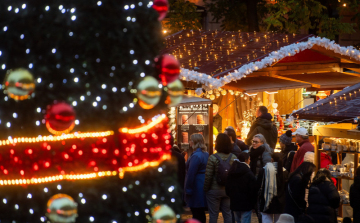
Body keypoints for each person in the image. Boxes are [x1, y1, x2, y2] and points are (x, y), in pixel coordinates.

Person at [204, 133, 237, 223]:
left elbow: (208, 176)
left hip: (214, 191)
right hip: (228, 190)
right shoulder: (233, 157)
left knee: (213, 215)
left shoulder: (213, 158)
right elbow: (235, 175)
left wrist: (206, 189)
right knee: (228, 214)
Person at [185, 134, 209, 223]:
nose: (189, 142)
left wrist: (188, 189)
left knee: (196, 212)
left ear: (194, 142)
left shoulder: (196, 156)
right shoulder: (205, 154)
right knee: (200, 212)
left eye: (190, 140)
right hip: (202, 183)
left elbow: (191, 174)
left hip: (196, 186)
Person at [226, 152, 257, 223]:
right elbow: (253, 189)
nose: (250, 161)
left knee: (238, 220)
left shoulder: (232, 170)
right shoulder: (248, 173)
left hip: (235, 202)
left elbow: (227, 187)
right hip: (246, 203)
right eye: (249, 159)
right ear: (246, 160)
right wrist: (253, 202)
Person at [258, 153, 288, 223]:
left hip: (267, 201)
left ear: (272, 160)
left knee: (266, 220)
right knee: (279, 221)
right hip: (280, 202)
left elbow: (258, 185)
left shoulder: (264, 170)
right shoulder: (285, 172)